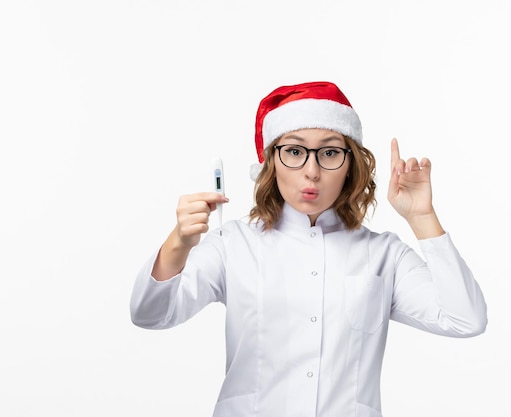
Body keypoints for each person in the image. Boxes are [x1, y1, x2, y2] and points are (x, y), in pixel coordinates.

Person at [130, 81, 487, 417]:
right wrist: (179, 242)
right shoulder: (234, 244)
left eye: (330, 152)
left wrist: (422, 217)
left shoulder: (384, 256)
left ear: (350, 165)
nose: (311, 171)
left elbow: (465, 319)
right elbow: (150, 313)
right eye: (295, 152)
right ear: (271, 162)